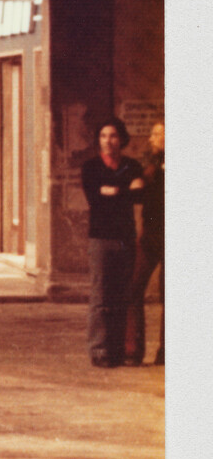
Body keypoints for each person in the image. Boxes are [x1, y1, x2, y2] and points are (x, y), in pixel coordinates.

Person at [80, 116, 144, 368]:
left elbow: (139, 195)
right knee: (100, 295)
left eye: (113, 136)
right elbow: (96, 199)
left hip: (126, 237)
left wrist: (114, 191)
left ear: (122, 139)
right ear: (98, 140)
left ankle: (118, 349)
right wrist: (124, 190)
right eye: (104, 136)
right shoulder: (91, 167)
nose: (108, 141)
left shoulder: (133, 165)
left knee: (122, 294)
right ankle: (99, 349)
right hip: (101, 239)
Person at [126, 121, 164, 366]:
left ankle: (167, 351)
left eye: (157, 134)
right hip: (150, 235)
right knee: (133, 289)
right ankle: (134, 349)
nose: (151, 138)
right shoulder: (150, 164)